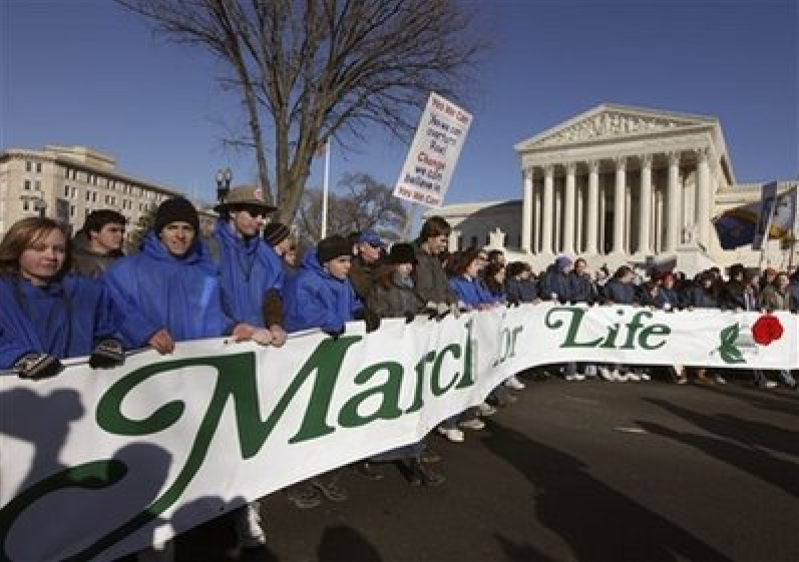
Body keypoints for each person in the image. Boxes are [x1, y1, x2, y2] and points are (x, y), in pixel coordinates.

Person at [102, 197, 272, 558]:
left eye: (187, 228)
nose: (180, 235)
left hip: (201, 380)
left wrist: (236, 326)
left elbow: (215, 316)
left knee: (223, 448)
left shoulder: (206, 272)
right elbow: (112, 313)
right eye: (173, 228)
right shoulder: (125, 271)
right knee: (157, 462)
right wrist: (143, 331)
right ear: (159, 231)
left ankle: (239, 514)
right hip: (152, 384)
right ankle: (154, 536)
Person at [210, 186, 290, 547]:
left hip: (256, 347)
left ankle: (245, 508)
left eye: (263, 215)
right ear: (231, 212)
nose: (260, 220)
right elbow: (199, 298)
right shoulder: (208, 248)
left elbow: (273, 292)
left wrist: (274, 323)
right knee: (212, 435)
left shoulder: (265, 254)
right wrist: (232, 328)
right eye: (252, 213)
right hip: (219, 346)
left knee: (249, 433)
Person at [282, 234, 379, 507]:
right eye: (342, 260)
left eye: (349, 260)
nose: (348, 266)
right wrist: (336, 322)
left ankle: (323, 473)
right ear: (325, 263)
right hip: (307, 363)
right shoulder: (304, 281)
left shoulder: (342, 281)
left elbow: (351, 305)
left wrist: (361, 313)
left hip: (335, 361)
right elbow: (302, 315)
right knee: (303, 422)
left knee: (329, 419)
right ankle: (294, 481)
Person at [0, 216, 125, 378]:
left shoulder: (88, 293)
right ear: (17, 250)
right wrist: (18, 357)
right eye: (39, 248)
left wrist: (108, 344)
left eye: (59, 249)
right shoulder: (4, 295)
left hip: (77, 391)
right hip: (20, 398)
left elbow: (106, 329)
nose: (51, 256)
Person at [364, 242, 445, 486]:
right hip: (388, 355)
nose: (409, 268)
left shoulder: (408, 286)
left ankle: (414, 457)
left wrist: (427, 311)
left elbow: (412, 307)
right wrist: (398, 321)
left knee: (410, 404)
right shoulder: (382, 286)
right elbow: (376, 316)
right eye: (405, 263)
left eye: (411, 264)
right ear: (393, 264)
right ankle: (380, 455)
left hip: (407, 353)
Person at [71, 209, 127, 278]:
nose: (120, 235)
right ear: (94, 232)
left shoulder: (124, 261)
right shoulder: (72, 260)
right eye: (113, 230)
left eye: (122, 231)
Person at [349, 229, 386, 301]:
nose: (379, 249)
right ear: (362, 247)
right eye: (374, 245)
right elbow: (364, 291)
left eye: (380, 246)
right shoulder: (354, 267)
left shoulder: (378, 265)